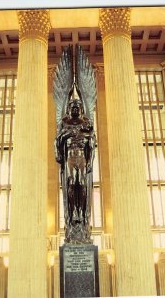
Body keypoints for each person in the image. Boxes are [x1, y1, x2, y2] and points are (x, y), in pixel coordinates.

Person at [55, 99, 96, 243]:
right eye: (72, 107)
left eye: (77, 107)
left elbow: (91, 143)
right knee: (72, 183)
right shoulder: (65, 124)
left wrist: (90, 161)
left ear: (81, 109)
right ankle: (73, 213)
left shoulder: (86, 124)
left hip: (82, 158)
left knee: (82, 184)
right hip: (70, 158)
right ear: (69, 108)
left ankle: (81, 213)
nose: (75, 109)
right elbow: (58, 141)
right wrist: (68, 135)